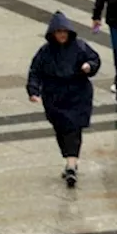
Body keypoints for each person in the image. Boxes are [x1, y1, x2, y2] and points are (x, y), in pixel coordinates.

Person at [27, 12, 102, 188]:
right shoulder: (45, 52)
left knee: (73, 130)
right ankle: (69, 160)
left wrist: (89, 67)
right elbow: (35, 71)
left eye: (64, 31)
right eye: (58, 31)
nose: (61, 35)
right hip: (54, 96)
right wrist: (33, 91)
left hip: (77, 94)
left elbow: (95, 59)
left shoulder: (80, 47)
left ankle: (71, 164)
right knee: (61, 129)